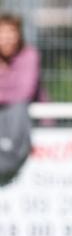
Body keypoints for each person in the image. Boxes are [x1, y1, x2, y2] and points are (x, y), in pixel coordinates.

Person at [0, 13, 41, 185]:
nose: (7, 39)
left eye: (11, 33)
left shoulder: (29, 55)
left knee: (17, 107)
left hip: (32, 124)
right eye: (3, 34)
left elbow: (25, 91)